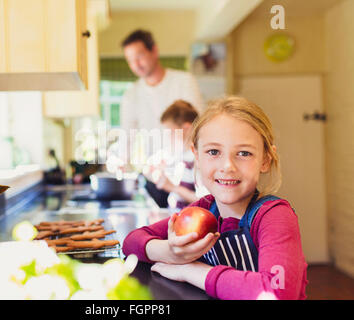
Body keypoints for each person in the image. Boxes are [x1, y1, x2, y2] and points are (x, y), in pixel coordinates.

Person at [122, 96, 308, 300]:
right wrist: (172, 252)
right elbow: (131, 242)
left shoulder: (274, 216)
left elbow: (277, 291)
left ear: (265, 159)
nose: (227, 166)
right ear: (197, 156)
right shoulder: (202, 210)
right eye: (213, 151)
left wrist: (190, 270)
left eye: (244, 153)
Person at [119, 29, 205, 207]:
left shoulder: (184, 81)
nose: (136, 64)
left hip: (188, 174)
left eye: (139, 56)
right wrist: (121, 168)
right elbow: (127, 137)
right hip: (157, 176)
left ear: (154, 51)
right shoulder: (131, 95)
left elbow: (200, 126)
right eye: (130, 60)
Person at [149, 100, 201, 211]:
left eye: (171, 132)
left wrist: (172, 187)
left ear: (186, 128)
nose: (168, 137)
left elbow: (205, 200)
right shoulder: (182, 154)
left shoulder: (199, 158)